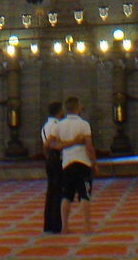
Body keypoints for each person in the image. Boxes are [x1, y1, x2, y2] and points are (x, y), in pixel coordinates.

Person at [51, 95, 97, 234]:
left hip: (67, 163)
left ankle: (65, 226)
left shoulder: (59, 125)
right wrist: (94, 162)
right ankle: (87, 226)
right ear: (78, 108)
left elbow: (52, 144)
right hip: (83, 163)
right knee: (85, 195)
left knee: (66, 196)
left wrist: (66, 144)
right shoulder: (84, 124)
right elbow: (89, 146)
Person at [41, 102, 64, 233]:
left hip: (49, 159)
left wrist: (47, 156)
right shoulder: (57, 126)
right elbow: (52, 143)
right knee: (57, 192)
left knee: (51, 192)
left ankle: (48, 224)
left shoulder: (45, 126)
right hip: (56, 158)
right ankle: (56, 225)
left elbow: (45, 146)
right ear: (59, 111)